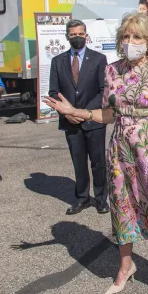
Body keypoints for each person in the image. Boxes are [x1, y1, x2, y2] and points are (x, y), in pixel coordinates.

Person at [43, 12, 148, 294]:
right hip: (121, 149)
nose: (130, 42)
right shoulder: (112, 71)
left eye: (136, 37)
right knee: (122, 206)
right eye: (125, 36)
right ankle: (125, 266)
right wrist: (79, 113)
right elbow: (109, 113)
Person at [49, 20, 109, 216]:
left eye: (80, 34)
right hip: (70, 122)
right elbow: (54, 92)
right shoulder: (57, 62)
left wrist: (80, 112)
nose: (77, 37)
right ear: (67, 36)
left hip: (93, 120)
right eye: (73, 34)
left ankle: (101, 199)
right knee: (79, 162)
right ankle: (82, 199)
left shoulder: (99, 59)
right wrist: (67, 112)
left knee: (98, 162)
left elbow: (103, 91)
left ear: (86, 35)